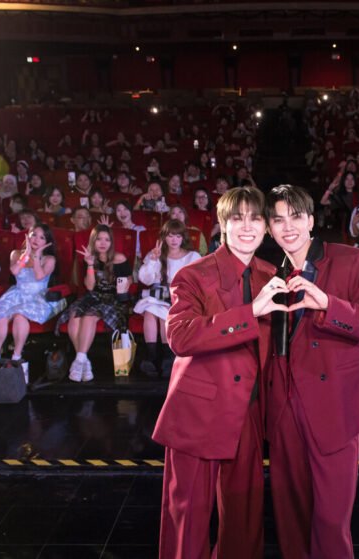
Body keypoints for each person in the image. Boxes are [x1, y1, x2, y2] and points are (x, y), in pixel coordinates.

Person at [263, 184, 359, 559]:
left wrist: (328, 304)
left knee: (331, 518)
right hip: (283, 405)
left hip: (333, 405)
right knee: (290, 515)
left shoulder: (354, 260)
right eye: (278, 220)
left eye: (295, 217)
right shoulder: (269, 273)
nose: (288, 227)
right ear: (269, 229)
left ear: (311, 221)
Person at [153, 187, 281, 559]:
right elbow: (180, 337)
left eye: (255, 218)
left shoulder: (271, 275)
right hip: (199, 412)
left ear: (265, 227)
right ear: (222, 225)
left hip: (249, 413)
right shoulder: (193, 275)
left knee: (244, 519)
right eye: (237, 218)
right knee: (188, 517)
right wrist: (249, 313)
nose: (247, 226)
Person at [57, 224, 131, 382]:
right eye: (99, 239)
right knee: (74, 316)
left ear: (111, 242)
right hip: (93, 296)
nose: (103, 243)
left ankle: (79, 360)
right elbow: (90, 287)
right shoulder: (90, 258)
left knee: (88, 316)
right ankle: (83, 361)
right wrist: (90, 264)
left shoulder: (120, 258)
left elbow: (128, 280)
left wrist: (125, 284)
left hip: (112, 299)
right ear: (93, 241)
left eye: (107, 240)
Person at [0, 224, 66, 363]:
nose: (36, 239)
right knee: (0, 317)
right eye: (34, 235)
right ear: (28, 236)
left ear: (47, 242)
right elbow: (15, 271)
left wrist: (37, 257)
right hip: (17, 293)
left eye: (42, 237)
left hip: (38, 296)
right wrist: (26, 255)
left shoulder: (49, 259)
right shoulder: (16, 253)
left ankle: (16, 357)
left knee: (20, 316)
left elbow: (39, 276)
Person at [134, 219, 201, 376]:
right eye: (170, 236)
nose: (174, 240)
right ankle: (151, 357)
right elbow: (145, 280)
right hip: (159, 296)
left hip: (182, 297)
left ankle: (167, 357)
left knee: (161, 312)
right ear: (164, 237)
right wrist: (153, 260)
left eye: (178, 236)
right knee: (150, 310)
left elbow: (198, 282)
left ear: (183, 237)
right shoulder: (156, 254)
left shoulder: (193, 256)